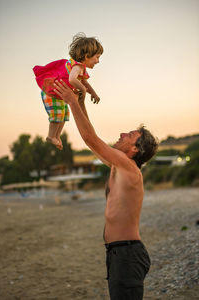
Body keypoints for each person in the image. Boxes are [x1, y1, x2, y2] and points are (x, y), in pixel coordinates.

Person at [53, 80, 158, 300]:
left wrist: (71, 101)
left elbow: (90, 138)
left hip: (127, 254)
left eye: (129, 135)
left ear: (134, 149)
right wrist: (81, 102)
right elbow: (92, 142)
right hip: (119, 253)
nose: (122, 134)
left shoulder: (128, 168)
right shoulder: (119, 166)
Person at [33, 33, 103, 150]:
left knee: (65, 114)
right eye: (97, 57)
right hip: (51, 93)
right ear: (86, 56)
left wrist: (93, 93)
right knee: (57, 114)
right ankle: (51, 136)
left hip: (58, 95)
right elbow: (72, 79)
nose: (98, 61)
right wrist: (82, 90)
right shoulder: (77, 67)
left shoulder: (81, 69)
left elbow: (85, 83)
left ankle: (56, 136)